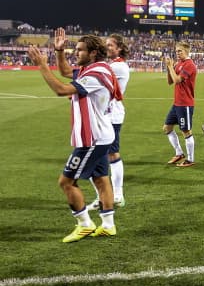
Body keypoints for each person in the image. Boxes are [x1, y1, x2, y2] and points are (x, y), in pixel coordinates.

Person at [27, 29, 121, 242]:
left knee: (66, 182)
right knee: (100, 178)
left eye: (80, 50)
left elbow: (61, 89)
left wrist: (42, 65)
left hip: (93, 138)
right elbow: (66, 71)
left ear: (94, 52)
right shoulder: (93, 68)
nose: (76, 53)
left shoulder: (97, 74)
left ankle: (84, 224)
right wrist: (59, 51)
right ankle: (108, 225)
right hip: (101, 135)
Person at [88, 34, 130, 210]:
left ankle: (117, 195)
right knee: (99, 156)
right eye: (106, 45)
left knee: (108, 155)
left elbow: (94, 75)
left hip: (111, 115)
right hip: (104, 114)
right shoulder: (112, 65)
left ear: (119, 48)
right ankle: (105, 197)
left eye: (110, 45)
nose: (107, 48)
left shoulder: (118, 66)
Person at [163, 42, 197, 167]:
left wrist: (171, 67)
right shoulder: (178, 64)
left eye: (180, 51)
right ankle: (179, 153)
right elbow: (170, 82)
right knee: (167, 128)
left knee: (186, 131)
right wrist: (169, 67)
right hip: (177, 103)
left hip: (185, 103)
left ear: (187, 52)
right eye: (176, 51)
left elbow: (177, 80)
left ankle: (191, 159)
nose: (177, 53)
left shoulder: (189, 65)